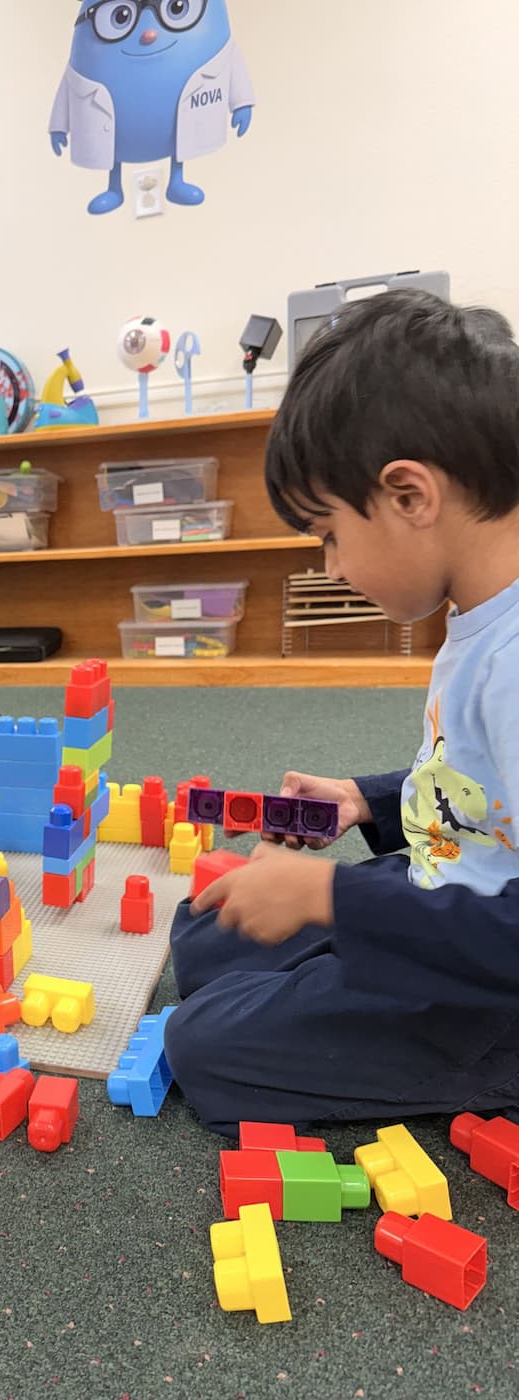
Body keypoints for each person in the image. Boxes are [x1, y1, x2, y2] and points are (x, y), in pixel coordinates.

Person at [165, 290, 519, 1135]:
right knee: (204, 939)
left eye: (326, 532)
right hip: (454, 885)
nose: (328, 564)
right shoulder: (483, 612)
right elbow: (481, 784)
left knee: (199, 1045)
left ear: (409, 496)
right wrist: (368, 798)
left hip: (490, 990)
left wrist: (332, 898)